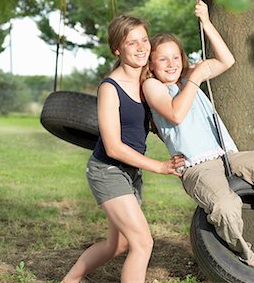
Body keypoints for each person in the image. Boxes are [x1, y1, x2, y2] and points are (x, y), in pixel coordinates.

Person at [142, 0, 254, 268]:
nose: (171, 63)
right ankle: (245, 260)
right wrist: (196, 77)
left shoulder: (188, 77)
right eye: (162, 58)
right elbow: (175, 114)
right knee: (225, 206)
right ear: (151, 63)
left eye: (175, 57)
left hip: (228, 155)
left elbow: (227, 60)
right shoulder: (153, 85)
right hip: (198, 167)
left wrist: (207, 23)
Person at [61, 14, 185, 283]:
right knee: (143, 243)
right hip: (107, 170)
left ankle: (69, 280)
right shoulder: (110, 88)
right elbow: (114, 147)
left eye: (144, 40)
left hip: (130, 173)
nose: (141, 48)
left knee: (117, 245)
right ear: (117, 49)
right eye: (132, 43)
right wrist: (160, 166)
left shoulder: (148, 80)